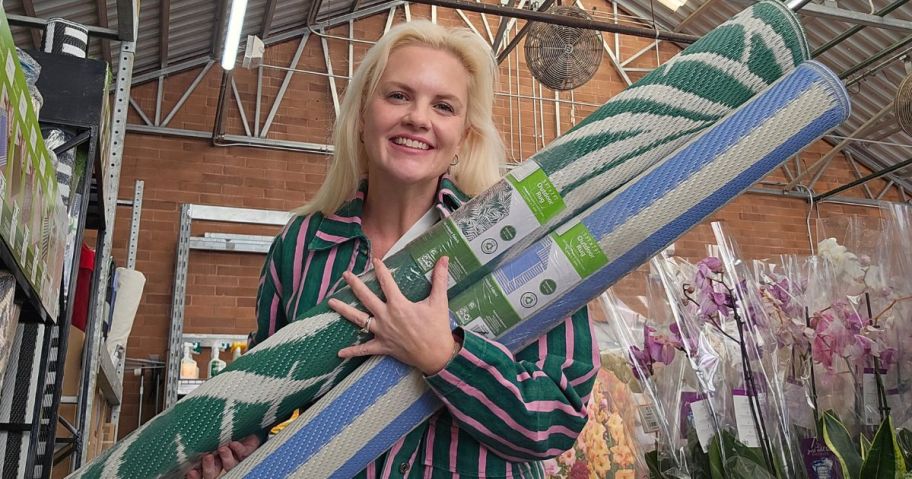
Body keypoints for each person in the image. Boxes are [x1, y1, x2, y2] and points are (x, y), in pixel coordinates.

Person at [187, 20, 598, 479]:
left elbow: (556, 421)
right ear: (363, 116)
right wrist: (245, 452)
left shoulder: (516, 242)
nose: (418, 118)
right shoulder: (302, 244)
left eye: (443, 106)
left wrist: (445, 357)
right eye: (398, 96)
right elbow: (262, 396)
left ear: (463, 137)